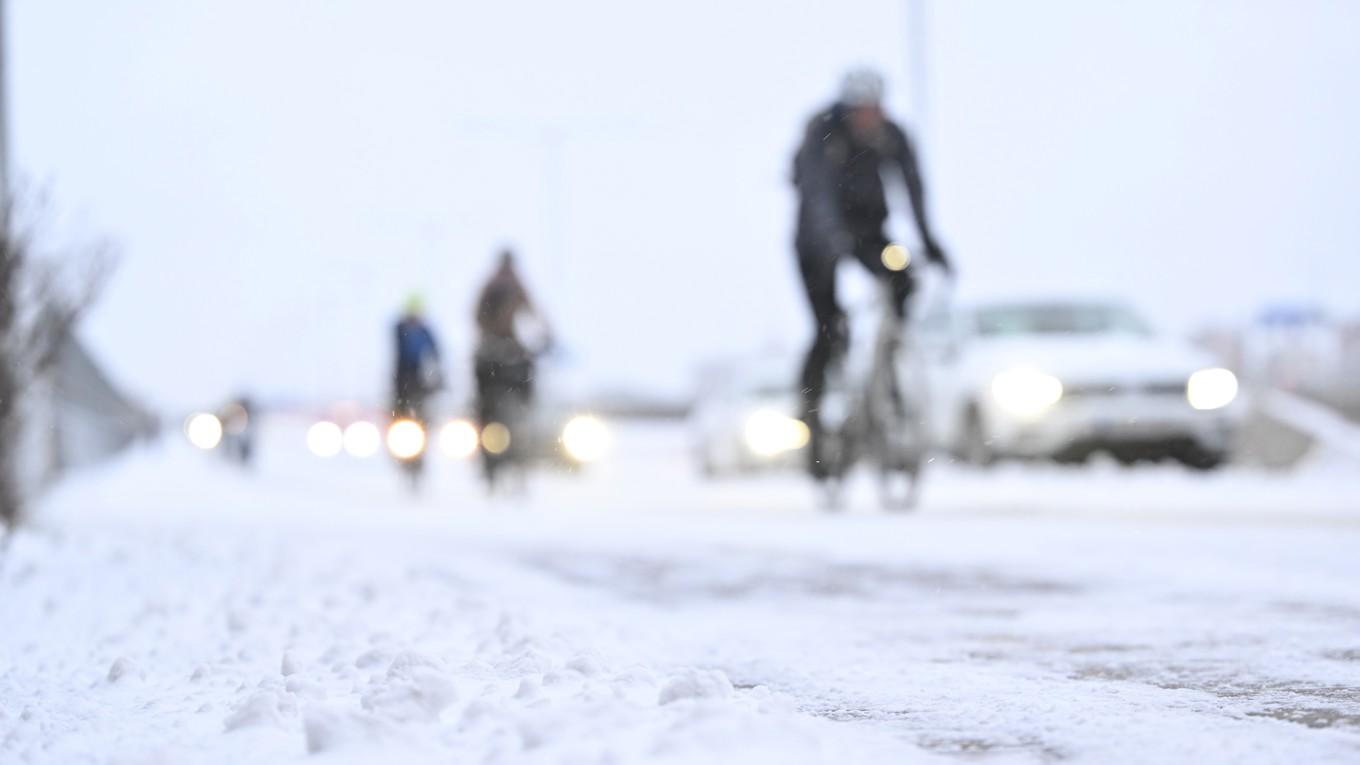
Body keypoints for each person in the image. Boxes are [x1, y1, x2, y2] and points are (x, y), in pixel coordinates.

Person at [792, 68, 952, 479]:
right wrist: (830, 237)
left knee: (902, 273)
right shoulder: (822, 133)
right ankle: (813, 413)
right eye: (861, 110)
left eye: (874, 109)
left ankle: (889, 365)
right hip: (816, 237)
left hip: (869, 232)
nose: (868, 117)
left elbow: (913, 188)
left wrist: (930, 241)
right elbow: (816, 190)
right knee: (829, 324)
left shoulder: (893, 135)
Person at [392, 294, 442, 419]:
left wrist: (434, 372)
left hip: (420, 378)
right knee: (401, 409)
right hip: (403, 378)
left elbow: (436, 351)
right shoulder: (400, 329)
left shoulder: (424, 331)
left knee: (422, 408)